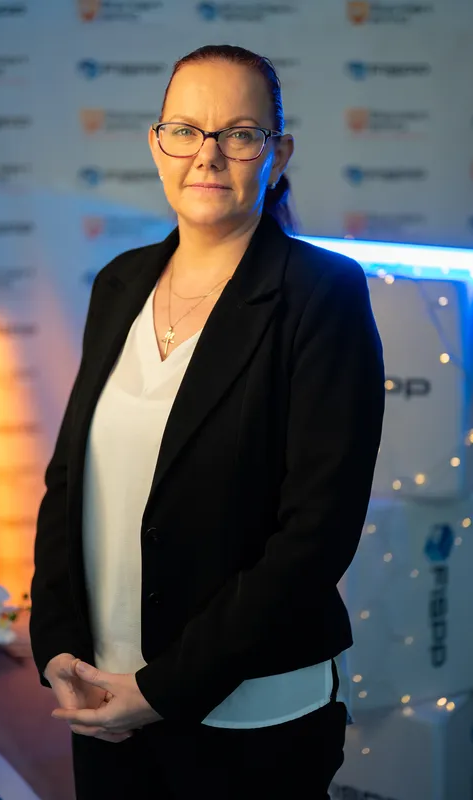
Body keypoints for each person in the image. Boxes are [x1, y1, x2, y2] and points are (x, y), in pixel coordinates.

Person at [29, 44, 385, 799]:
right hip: (104, 698)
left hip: (252, 718)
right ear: (157, 144)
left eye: (240, 134)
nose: (209, 154)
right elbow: (68, 485)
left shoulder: (321, 293)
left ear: (278, 153)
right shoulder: (119, 281)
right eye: (186, 130)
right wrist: (58, 646)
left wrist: (164, 689)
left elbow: (315, 533)